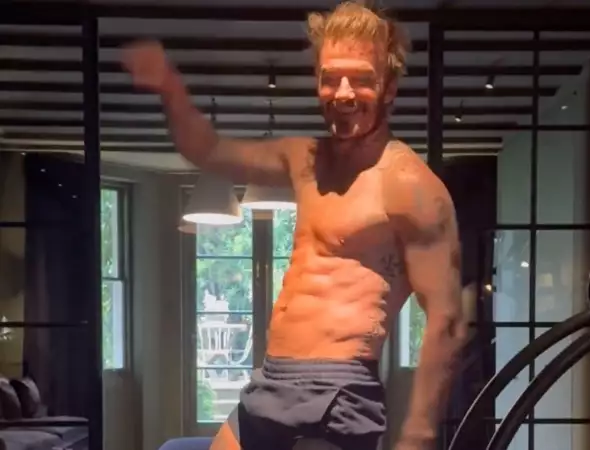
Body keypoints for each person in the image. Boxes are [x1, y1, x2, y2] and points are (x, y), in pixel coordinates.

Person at [122, 2, 469, 449]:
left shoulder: (409, 185)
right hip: (271, 379)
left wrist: (417, 437)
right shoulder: (304, 158)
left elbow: (447, 319)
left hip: (338, 390)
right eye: (330, 77)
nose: (343, 93)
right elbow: (208, 150)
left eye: (361, 79)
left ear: (389, 88)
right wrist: (169, 87)